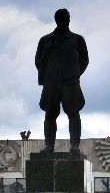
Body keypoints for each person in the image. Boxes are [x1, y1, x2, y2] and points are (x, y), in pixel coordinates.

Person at [34, 8, 89, 153]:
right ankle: (49, 145)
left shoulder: (77, 39)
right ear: (57, 20)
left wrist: (74, 74)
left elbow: (84, 61)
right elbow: (38, 61)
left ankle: (75, 145)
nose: (66, 20)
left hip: (70, 82)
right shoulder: (45, 40)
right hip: (51, 83)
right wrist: (50, 75)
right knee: (50, 114)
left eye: (67, 18)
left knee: (73, 113)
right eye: (63, 18)